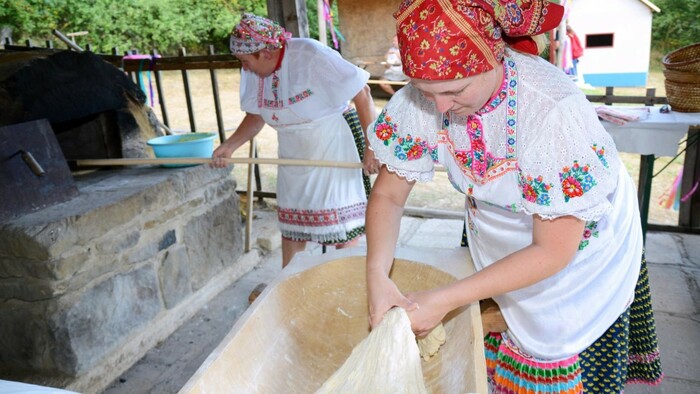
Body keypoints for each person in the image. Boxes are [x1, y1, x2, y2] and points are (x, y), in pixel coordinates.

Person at [365, 1, 663, 392]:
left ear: (495, 56)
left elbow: (552, 252)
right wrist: (376, 276)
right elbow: (388, 197)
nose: (439, 106)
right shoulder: (426, 99)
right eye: (425, 91)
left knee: (552, 340)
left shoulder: (550, 110)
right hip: (501, 231)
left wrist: (443, 300)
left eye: (455, 90)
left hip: (575, 254)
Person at [212, 13, 379, 267]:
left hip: (333, 141)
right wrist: (229, 146)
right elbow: (256, 115)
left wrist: (372, 146)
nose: (243, 67)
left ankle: (343, 280)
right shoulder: (253, 70)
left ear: (265, 53)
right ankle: (287, 281)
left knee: (340, 224)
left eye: (245, 61)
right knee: (293, 222)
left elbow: (363, 93)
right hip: (293, 149)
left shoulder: (311, 55)